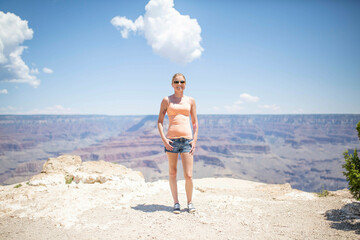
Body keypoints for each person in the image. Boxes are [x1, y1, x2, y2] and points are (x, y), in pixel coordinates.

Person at [157, 73, 198, 214]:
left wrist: (195, 140)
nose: (179, 84)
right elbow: (160, 121)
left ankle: (190, 202)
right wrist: (164, 138)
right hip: (171, 141)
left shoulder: (190, 100)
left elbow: (195, 123)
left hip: (187, 141)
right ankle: (176, 203)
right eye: (176, 81)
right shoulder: (166, 100)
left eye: (182, 81)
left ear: (185, 83)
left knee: (188, 175)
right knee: (173, 173)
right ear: (172, 84)